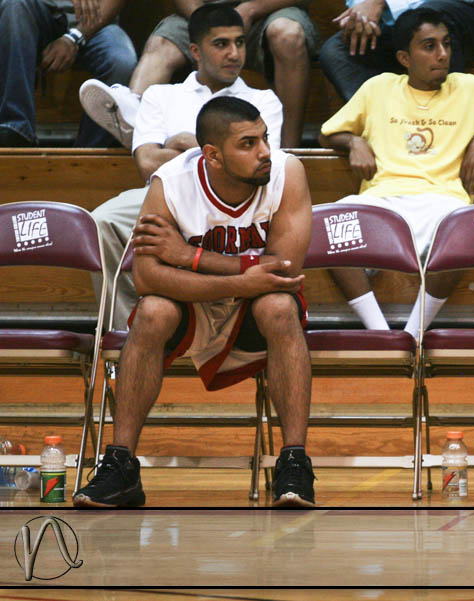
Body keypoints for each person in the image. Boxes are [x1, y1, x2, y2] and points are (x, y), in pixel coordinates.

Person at [73, 96, 314, 508]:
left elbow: (282, 270)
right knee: (151, 311)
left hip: (250, 305)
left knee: (278, 306)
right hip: (193, 304)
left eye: (265, 138)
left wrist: (191, 258)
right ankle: (121, 465)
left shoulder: (287, 173)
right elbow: (148, 277)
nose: (264, 152)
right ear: (213, 155)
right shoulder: (170, 183)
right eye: (248, 143)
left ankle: (293, 463)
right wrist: (242, 276)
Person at [318, 7, 474, 339]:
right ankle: (378, 332)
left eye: (446, 44)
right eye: (430, 46)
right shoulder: (379, 88)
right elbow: (326, 133)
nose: (443, 54)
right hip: (383, 198)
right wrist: (353, 142)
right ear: (405, 58)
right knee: (330, 228)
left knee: (465, 231)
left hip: (443, 200)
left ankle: (413, 334)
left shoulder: (471, 88)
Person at [91, 3, 283, 330]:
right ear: (195, 50)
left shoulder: (264, 101)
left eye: (239, 42)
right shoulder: (160, 95)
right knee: (102, 221)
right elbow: (148, 163)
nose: (234, 53)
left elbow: (259, 167)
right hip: (169, 196)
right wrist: (216, 156)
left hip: (236, 200)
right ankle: (122, 332)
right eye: (221, 44)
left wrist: (181, 142)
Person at [79, 0, 316, 148]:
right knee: (161, 43)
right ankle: (135, 121)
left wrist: (250, 8)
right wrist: (204, 23)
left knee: (287, 35)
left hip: (270, 11)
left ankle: (289, 151)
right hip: (205, 15)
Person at [0, 0, 136, 147]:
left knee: (122, 62)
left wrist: (74, 38)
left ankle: (89, 153)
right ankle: (16, 129)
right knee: (14, 5)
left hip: (95, 22)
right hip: (34, 13)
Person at [319, 0, 474, 102]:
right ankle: (383, 123)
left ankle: (449, 127)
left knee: (432, 20)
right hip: (397, 24)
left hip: (469, 14)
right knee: (337, 50)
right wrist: (361, 17)